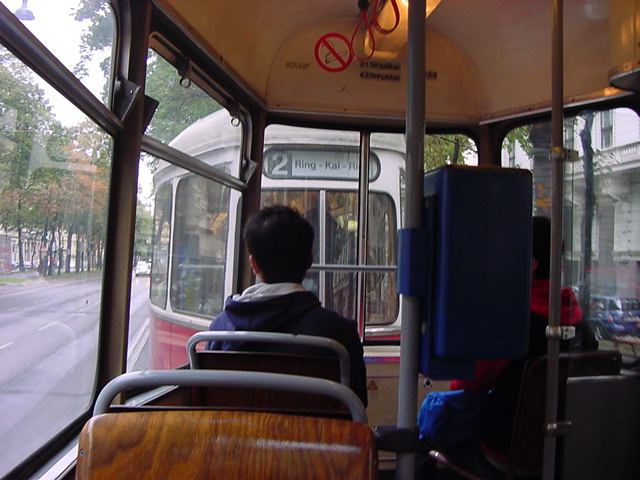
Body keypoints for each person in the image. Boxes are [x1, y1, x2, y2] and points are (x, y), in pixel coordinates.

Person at [416, 216, 595, 473]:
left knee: (429, 436)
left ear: (531, 264)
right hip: (564, 449)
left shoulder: (512, 320)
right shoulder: (580, 324)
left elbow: (470, 385)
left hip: (506, 448)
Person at [207, 205, 368, 406]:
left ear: (253, 264)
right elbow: (357, 402)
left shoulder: (220, 329)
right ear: (310, 261)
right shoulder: (338, 332)